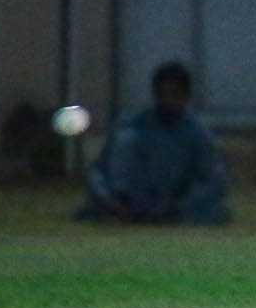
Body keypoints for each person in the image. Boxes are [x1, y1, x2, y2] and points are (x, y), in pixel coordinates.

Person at [77, 61, 232, 225]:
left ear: (186, 96)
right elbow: (99, 174)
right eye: (161, 94)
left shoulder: (197, 133)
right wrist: (110, 199)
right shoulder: (130, 127)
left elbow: (212, 179)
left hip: (175, 206)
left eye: (174, 94)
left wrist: (180, 205)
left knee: (218, 210)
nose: (167, 101)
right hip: (127, 201)